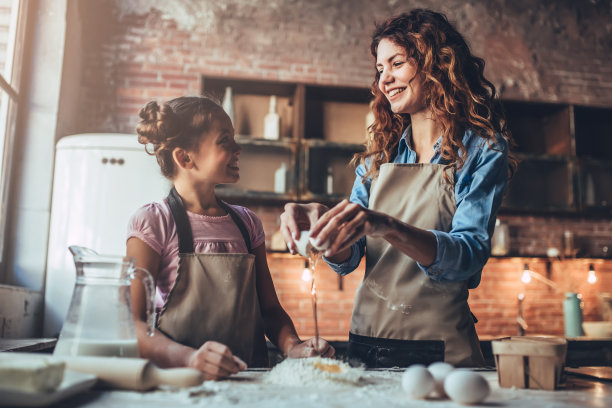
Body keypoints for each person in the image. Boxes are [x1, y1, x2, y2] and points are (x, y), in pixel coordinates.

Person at [280, 9, 516, 367]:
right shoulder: (380, 157)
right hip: (367, 342)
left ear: (437, 65)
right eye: (379, 69)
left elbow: (467, 258)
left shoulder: (482, 150)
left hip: (440, 350)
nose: (384, 79)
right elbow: (349, 259)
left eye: (397, 63)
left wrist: (385, 225)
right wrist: (323, 229)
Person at [127, 96, 334, 380]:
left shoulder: (247, 223)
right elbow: (130, 323)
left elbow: (270, 309)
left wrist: (293, 346)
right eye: (225, 140)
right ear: (185, 157)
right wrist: (189, 358)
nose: (238, 148)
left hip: (250, 382)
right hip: (183, 385)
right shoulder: (154, 222)